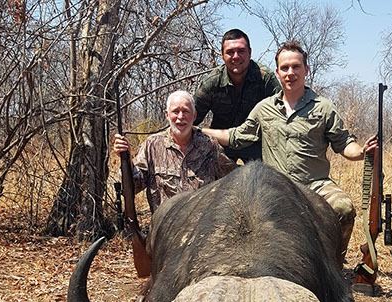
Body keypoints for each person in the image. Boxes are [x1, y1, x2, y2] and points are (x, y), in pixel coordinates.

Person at [202, 41, 378, 262]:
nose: (290, 73)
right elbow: (236, 136)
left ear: (306, 69)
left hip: (315, 184)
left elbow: (344, 144)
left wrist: (362, 151)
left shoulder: (323, 107)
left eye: (296, 67)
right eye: (284, 68)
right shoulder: (264, 108)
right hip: (274, 185)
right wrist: (198, 130)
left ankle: (332, 266)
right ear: (277, 73)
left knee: (343, 208)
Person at [113, 90, 235, 213]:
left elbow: (232, 181)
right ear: (167, 115)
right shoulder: (152, 145)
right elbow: (134, 187)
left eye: (186, 111)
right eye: (175, 111)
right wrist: (126, 159)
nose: (180, 117)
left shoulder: (210, 145)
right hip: (165, 223)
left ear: (194, 115)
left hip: (201, 223)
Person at [194, 29, 281, 163]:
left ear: (250, 53)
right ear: (222, 55)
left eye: (241, 51)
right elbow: (192, 118)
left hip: (256, 144)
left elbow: (282, 115)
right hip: (221, 143)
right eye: (230, 52)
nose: (236, 56)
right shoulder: (212, 81)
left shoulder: (265, 78)